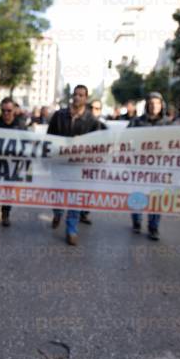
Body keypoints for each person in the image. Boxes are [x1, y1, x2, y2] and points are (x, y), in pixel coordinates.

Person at [47, 85, 107, 245]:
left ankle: (71, 229)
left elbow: (99, 144)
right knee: (58, 194)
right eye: (75, 94)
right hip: (59, 164)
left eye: (81, 95)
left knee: (75, 197)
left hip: (79, 167)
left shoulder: (92, 121)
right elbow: (49, 138)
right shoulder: (59, 116)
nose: (78, 97)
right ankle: (58, 213)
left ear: (85, 98)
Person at [128, 92, 171, 241]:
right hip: (139, 166)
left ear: (162, 105)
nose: (154, 106)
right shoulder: (136, 122)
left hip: (159, 167)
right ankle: (137, 220)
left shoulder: (169, 124)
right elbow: (125, 140)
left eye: (157, 103)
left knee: (157, 197)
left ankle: (153, 227)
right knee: (138, 194)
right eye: (151, 103)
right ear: (147, 105)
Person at [0, 97, 25, 231]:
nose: (6, 113)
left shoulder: (20, 125)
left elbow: (27, 144)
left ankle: (5, 215)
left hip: (12, 165)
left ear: (14, 110)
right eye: (3, 110)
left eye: (9, 110)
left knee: (8, 191)